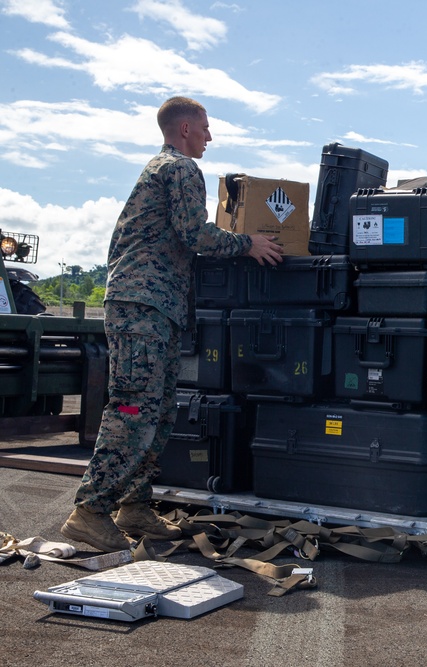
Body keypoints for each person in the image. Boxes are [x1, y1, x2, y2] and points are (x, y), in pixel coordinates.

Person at [61, 97, 284, 552]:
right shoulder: (180, 169)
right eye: (204, 127)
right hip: (142, 304)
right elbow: (194, 233)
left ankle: (134, 506)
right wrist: (248, 244)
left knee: (160, 411)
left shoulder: (166, 169)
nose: (209, 136)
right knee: (133, 409)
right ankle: (89, 510)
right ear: (184, 129)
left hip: (154, 306)